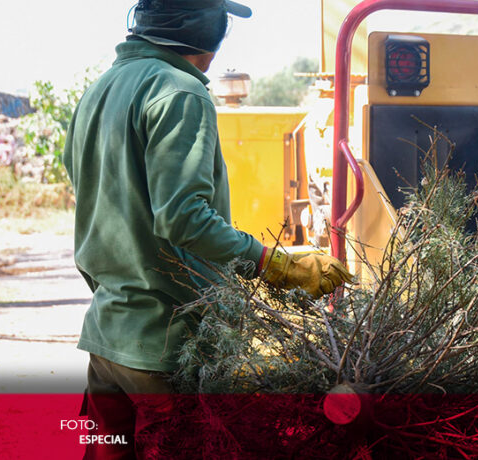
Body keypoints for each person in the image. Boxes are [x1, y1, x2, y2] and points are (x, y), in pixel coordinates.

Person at [62, 1, 353, 456]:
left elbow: (96, 206)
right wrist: (274, 264)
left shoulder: (101, 89)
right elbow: (184, 217)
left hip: (108, 338)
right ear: (209, 38)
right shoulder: (180, 91)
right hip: (165, 346)